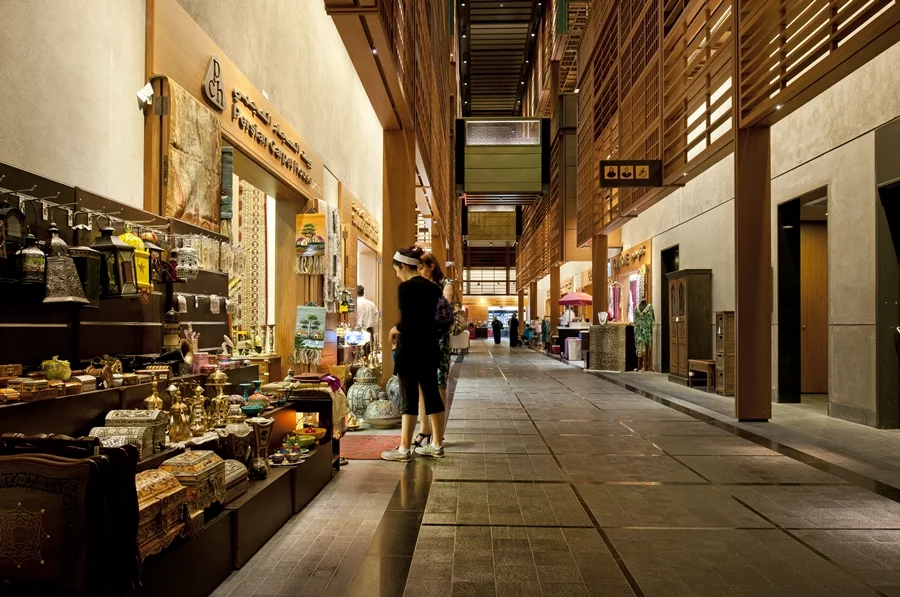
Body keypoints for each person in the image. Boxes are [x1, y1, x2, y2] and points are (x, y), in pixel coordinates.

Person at [382, 245, 446, 461]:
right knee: (432, 395)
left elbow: (409, 321)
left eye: (397, 270)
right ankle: (437, 444)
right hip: (429, 349)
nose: (397, 274)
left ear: (402, 266)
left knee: (409, 399)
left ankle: (403, 449)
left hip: (409, 350)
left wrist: (395, 329)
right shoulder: (433, 288)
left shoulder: (405, 288)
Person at [413, 253, 456, 446]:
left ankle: (439, 431)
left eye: (421, 266)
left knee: (439, 385)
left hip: (438, 340)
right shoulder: (418, 283)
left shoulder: (445, 283)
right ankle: (425, 428)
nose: (419, 270)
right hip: (420, 338)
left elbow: (443, 306)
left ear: (431, 266)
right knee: (422, 386)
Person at [355, 285, 378, 355]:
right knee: (369, 353)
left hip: (356, 331)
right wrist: (374, 331)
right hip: (369, 330)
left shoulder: (354, 303)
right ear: (363, 293)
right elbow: (376, 320)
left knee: (356, 354)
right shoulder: (371, 304)